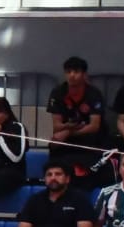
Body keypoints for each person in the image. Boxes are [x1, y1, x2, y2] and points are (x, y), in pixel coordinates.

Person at [45, 56, 109, 186]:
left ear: (84, 74)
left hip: (90, 141)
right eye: (68, 72)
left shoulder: (94, 93)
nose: (72, 75)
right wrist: (67, 130)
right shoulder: (58, 92)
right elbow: (57, 126)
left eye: (76, 72)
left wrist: (68, 132)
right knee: (54, 145)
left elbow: (94, 126)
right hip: (66, 140)